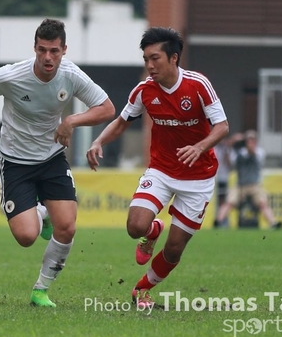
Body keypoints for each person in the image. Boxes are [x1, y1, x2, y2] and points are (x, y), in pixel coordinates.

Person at [0, 18, 115, 307]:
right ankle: (42, 213)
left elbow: (107, 108)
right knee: (27, 236)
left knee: (67, 227)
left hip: (52, 158)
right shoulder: (12, 76)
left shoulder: (71, 75)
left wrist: (71, 121)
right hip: (14, 162)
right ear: (34, 48)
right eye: (42, 50)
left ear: (64, 50)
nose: (47, 57)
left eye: (54, 51)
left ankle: (41, 290)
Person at [86, 27, 229, 308]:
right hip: (161, 171)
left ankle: (143, 288)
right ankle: (152, 231)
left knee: (174, 249)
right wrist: (99, 141)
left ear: (173, 58)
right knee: (135, 226)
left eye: (155, 58)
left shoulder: (198, 85)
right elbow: (122, 123)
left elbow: (222, 126)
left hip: (198, 177)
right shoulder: (144, 90)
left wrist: (199, 147)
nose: (149, 66)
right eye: (145, 59)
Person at [213, 130, 282, 229]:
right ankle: (218, 221)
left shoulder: (260, 151)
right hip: (240, 185)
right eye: (248, 139)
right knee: (229, 201)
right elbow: (231, 163)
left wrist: (245, 146)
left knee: (263, 203)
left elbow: (253, 154)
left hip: (255, 185)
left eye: (252, 139)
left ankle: (273, 222)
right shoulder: (240, 152)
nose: (250, 142)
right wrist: (230, 145)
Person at [212, 138, 232, 226]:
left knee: (224, 200)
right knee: (217, 201)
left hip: (224, 178)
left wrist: (226, 151)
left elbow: (230, 164)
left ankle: (222, 220)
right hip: (215, 178)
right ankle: (218, 218)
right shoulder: (214, 149)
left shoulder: (228, 150)